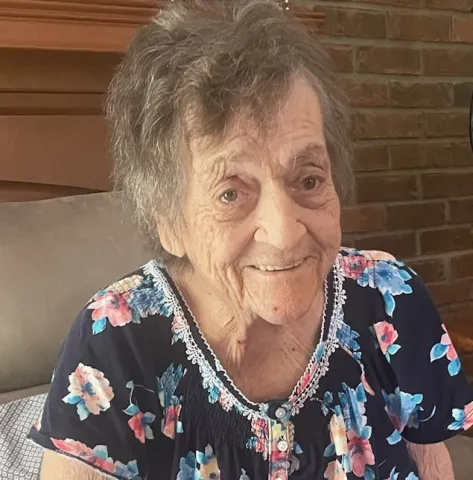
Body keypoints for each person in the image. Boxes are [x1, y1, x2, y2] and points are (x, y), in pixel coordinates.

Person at [30, 1, 473, 479]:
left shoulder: (390, 298)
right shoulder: (114, 342)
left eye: (308, 179)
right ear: (167, 220)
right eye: (230, 193)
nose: (284, 234)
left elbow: (432, 464)